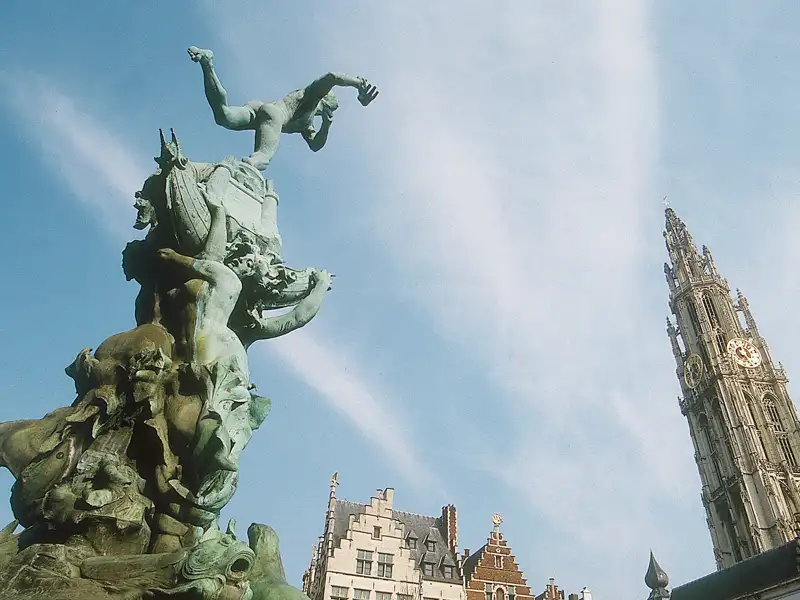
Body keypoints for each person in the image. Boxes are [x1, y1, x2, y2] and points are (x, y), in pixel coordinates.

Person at [187, 46, 379, 170]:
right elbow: (332, 77)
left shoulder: (307, 123)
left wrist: (326, 126)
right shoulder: (312, 97)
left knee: (224, 116)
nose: (329, 111)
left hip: (261, 109)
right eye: (332, 107)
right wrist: (358, 84)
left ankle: (207, 64)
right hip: (275, 116)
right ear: (326, 100)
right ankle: (247, 170)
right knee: (261, 158)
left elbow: (314, 145)